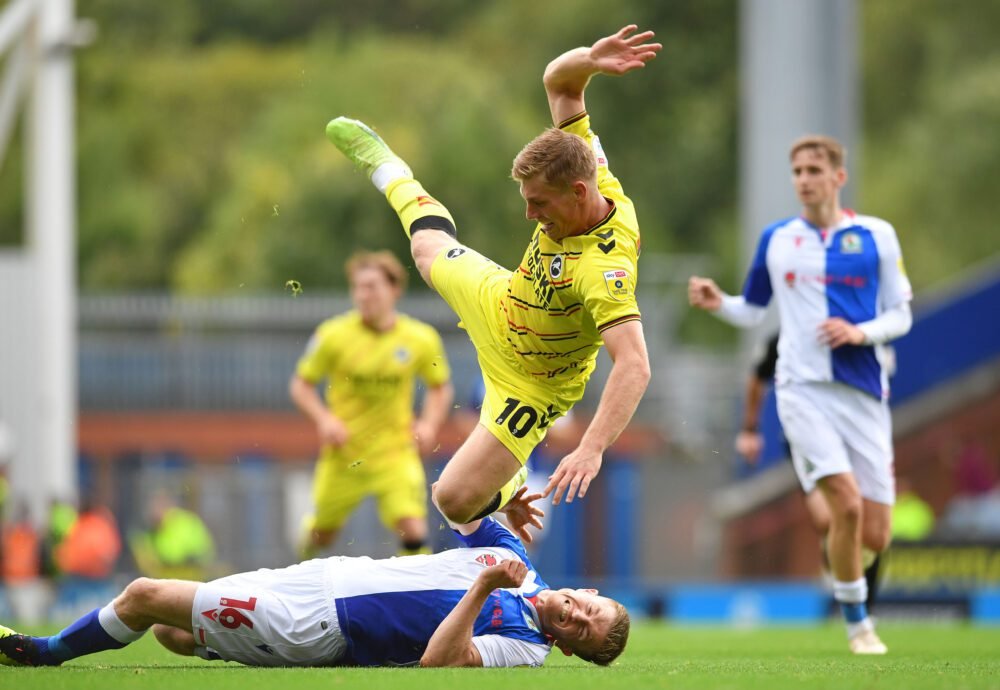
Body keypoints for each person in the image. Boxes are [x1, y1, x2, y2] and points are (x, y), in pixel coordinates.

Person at [324, 25, 658, 527]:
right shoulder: (587, 163)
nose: (530, 217)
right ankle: (388, 167)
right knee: (424, 246)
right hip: (501, 300)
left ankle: (506, 490)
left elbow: (634, 365)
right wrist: (590, 58)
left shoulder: (603, 270)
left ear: (578, 193)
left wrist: (591, 448)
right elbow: (559, 83)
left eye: (539, 205)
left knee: (452, 500)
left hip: (533, 383)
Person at [689, 135, 913, 654]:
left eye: (814, 170)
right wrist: (719, 301)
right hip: (800, 391)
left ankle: (850, 580)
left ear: (838, 177)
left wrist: (862, 333)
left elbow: (901, 313)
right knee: (847, 506)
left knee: (877, 533)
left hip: (862, 392)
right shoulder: (778, 239)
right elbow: (752, 309)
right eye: (797, 171)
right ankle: (860, 625)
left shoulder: (876, 235)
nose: (804, 180)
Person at [0, 488, 630, 668]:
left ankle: (46, 653)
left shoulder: (526, 650)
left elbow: (441, 664)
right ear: (591, 595)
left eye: (583, 631)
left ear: (571, 648)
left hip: (325, 626)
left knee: (143, 595)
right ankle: (211, 642)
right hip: (322, 576)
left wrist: (485, 587)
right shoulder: (525, 566)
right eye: (590, 610)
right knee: (170, 634)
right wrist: (496, 506)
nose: (577, 615)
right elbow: (454, 504)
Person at [289, 250, 454, 558]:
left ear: (394, 290)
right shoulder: (332, 335)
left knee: (413, 528)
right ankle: (294, 577)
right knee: (322, 535)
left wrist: (429, 424)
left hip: (394, 453)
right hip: (345, 454)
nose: (363, 295)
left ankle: (419, 597)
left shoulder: (420, 338)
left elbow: (440, 388)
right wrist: (324, 420)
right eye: (358, 287)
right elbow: (301, 385)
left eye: (372, 286)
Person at [736, 332, 886, 609]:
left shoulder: (858, 331)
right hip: (807, 439)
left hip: (857, 435)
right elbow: (757, 378)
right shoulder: (784, 338)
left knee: (871, 529)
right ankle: (844, 584)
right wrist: (749, 430)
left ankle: (866, 605)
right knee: (828, 518)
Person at [129, 493, 215, 581]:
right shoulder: (148, 530)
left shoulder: (185, 522)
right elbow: (146, 563)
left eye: (160, 505)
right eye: (154, 506)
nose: (156, 510)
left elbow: (201, 552)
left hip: (190, 580)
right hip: (162, 582)